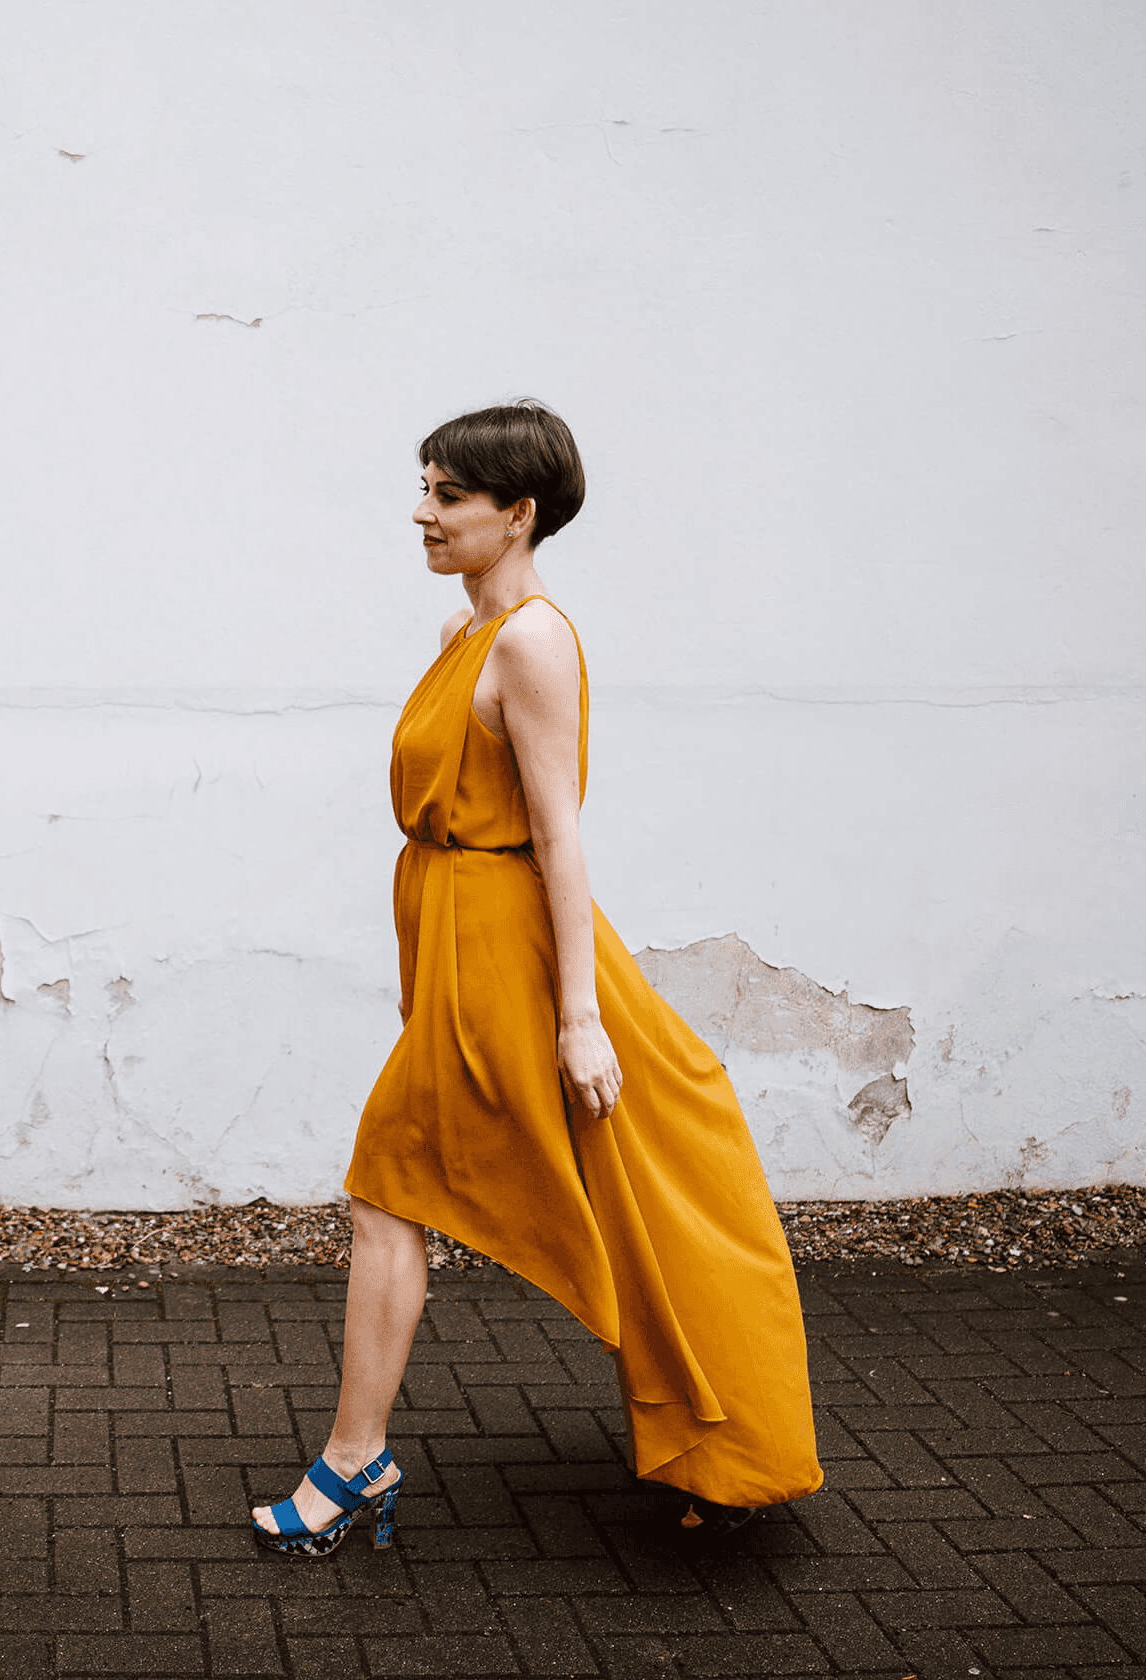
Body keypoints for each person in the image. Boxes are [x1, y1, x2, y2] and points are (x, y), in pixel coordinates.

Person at [250, 401, 824, 1556]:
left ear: (517, 513)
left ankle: (354, 1464)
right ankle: (375, 1459)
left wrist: (578, 1020)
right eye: (422, 485)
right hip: (458, 935)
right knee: (459, 1183)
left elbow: (557, 836)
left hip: (508, 944)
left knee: (401, 1182)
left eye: (448, 493)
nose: (421, 511)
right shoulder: (465, 632)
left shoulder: (532, 640)